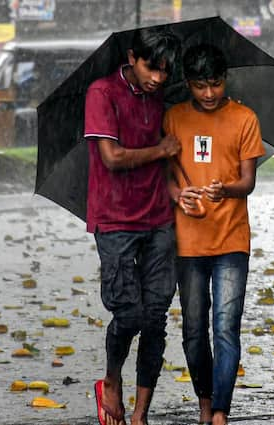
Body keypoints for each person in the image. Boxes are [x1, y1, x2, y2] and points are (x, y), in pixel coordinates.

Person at [83, 26, 181, 425]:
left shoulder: (161, 98)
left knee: (156, 315)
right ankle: (110, 380)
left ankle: (140, 414)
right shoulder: (101, 93)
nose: (157, 78)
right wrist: (161, 149)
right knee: (129, 314)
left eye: (164, 71)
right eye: (150, 68)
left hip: (158, 217)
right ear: (131, 57)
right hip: (115, 219)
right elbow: (111, 156)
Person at [164, 44, 265, 425]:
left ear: (225, 80)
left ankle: (220, 411)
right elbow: (167, 175)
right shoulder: (172, 118)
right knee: (193, 330)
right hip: (188, 242)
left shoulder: (244, 118)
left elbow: (248, 181)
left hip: (231, 240)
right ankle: (204, 402)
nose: (209, 94)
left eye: (216, 84)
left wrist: (227, 190)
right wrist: (179, 195)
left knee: (225, 327)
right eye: (201, 86)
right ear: (188, 83)